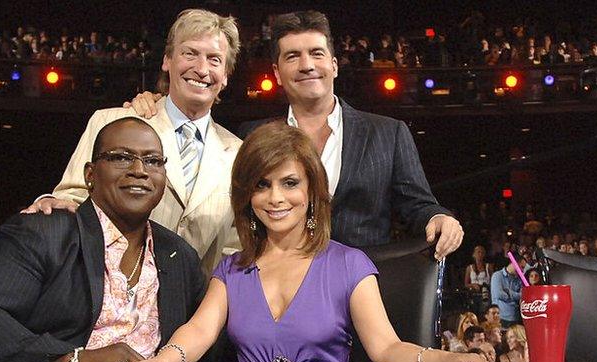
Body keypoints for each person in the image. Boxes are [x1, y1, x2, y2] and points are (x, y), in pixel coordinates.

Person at [96, 123, 512, 362]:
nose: (275, 198)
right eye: (261, 185)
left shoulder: (350, 265)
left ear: (312, 192)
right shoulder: (232, 271)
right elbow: (198, 332)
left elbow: (386, 348)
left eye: (289, 183)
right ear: (246, 196)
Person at [126, 11, 464, 260]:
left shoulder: (388, 133)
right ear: (277, 72)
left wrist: (439, 217)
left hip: (364, 293)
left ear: (334, 64)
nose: (306, 65)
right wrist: (155, 104)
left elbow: (418, 204)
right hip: (278, 293)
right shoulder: (252, 136)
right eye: (292, 56)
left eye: (316, 54)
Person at [0, 118, 207, 362]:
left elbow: (208, 338)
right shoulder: (43, 233)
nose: (140, 170)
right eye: (122, 157)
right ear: (90, 175)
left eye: (153, 161)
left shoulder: (179, 255)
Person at [22, 10, 243, 275]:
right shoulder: (111, 122)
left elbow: (235, 248)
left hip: (195, 309)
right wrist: (50, 204)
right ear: (167, 60)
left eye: (214, 59)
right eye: (190, 53)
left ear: (226, 75)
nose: (202, 69)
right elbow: (71, 198)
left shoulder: (240, 153)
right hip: (105, 299)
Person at [489, 261, 522, 327]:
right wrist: (515, 296)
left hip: (515, 317)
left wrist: (509, 293)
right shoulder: (497, 275)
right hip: (501, 317)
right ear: (513, 263)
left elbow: (522, 295)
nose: (522, 270)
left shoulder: (519, 279)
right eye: (521, 267)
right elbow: (499, 294)